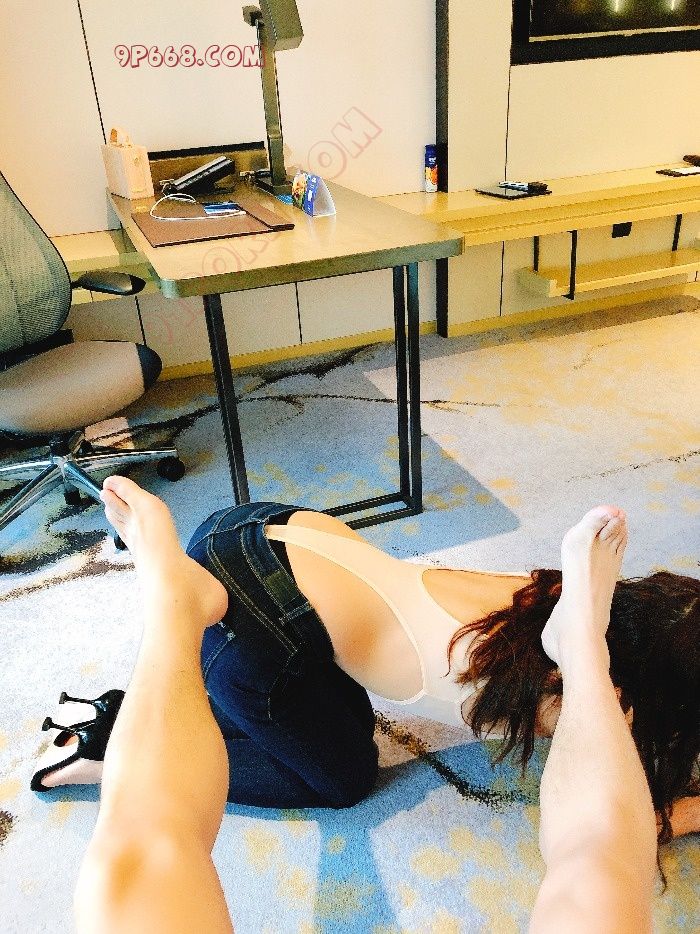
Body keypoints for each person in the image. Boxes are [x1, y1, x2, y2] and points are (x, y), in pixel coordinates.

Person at [67, 477, 694, 932]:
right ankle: (101, 750)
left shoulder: (561, 593)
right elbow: (627, 827)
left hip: (258, 531)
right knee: (344, 779)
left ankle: (168, 645)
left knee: (162, 828)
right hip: (252, 620)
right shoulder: (588, 698)